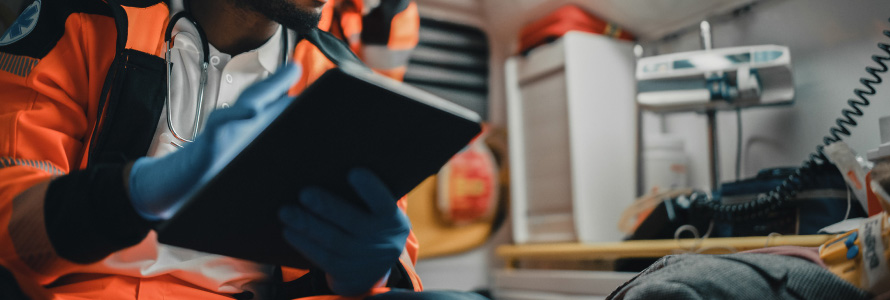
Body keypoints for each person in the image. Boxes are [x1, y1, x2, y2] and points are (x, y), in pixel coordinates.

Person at [0, 0, 485, 299]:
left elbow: (394, 256)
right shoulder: (85, 18)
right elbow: (10, 212)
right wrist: (133, 193)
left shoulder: (342, 83)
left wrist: (374, 273)